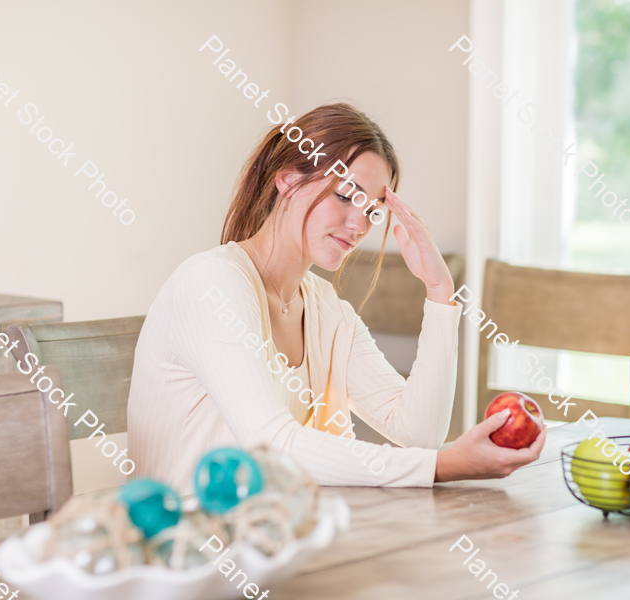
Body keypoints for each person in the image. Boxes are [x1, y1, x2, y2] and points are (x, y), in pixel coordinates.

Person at [127, 103, 546, 494]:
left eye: (374, 208)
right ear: (288, 180)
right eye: (346, 195)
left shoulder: (325, 308)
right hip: (188, 553)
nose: (359, 223)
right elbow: (272, 447)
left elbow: (418, 433)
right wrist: (445, 465)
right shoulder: (212, 283)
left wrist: (440, 292)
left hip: (280, 543)